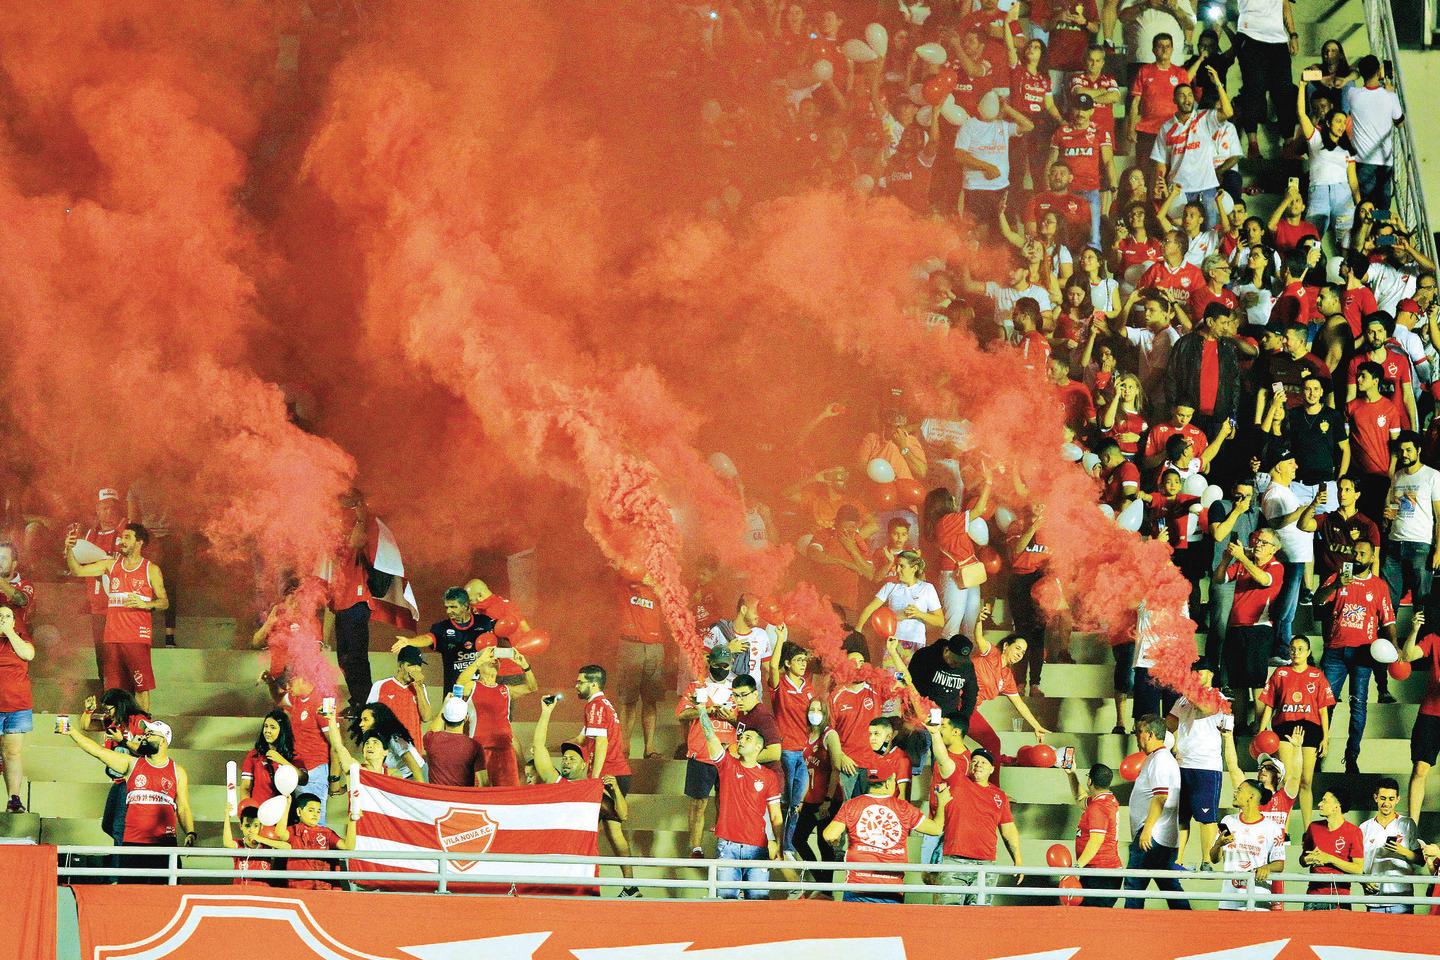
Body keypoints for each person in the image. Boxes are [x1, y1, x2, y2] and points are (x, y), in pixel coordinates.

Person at [66, 712, 195, 876]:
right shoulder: (132, 764)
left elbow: (183, 807)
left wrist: (190, 832)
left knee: (163, 896)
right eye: (145, 733)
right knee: (131, 894)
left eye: (150, 734)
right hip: (133, 844)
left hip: (164, 845)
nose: (145, 737)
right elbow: (98, 751)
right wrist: (72, 732)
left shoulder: (178, 772)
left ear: (163, 740)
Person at [65, 523, 167, 713]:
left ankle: (142, 728)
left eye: (127, 537)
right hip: (112, 637)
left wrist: (146, 604)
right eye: (121, 537)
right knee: (112, 689)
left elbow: (164, 602)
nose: (122, 541)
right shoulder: (111, 565)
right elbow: (77, 571)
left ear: (139, 542)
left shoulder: (150, 569)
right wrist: (69, 549)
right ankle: (115, 730)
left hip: (137, 637)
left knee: (140, 686)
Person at [1314, 538, 1395, 776]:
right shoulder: (1338, 577)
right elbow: (1318, 600)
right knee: (1324, 705)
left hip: (1363, 654)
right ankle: (1319, 753)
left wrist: (1396, 647)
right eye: (1354, 552)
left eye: (1362, 554)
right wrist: (1336, 584)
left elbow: (1388, 620)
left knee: (1358, 707)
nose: (1356, 557)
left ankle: (1351, 757)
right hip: (1335, 653)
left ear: (1371, 558)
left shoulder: (1379, 586)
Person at [823, 754, 947, 904]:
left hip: (857, 888)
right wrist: (942, 802)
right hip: (891, 890)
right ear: (889, 782)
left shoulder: (852, 805)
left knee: (855, 928)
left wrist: (835, 841)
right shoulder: (903, 808)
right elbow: (936, 828)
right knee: (887, 928)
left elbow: (830, 834)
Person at [694, 698, 781, 899]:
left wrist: (779, 844)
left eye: (748, 738)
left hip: (758, 848)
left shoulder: (769, 777)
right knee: (726, 904)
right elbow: (710, 736)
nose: (741, 740)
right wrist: (701, 711)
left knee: (758, 904)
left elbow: (776, 816)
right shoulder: (727, 765)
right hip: (728, 847)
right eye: (741, 738)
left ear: (759, 747)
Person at [925, 736, 1021, 907]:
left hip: (986, 865)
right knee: (950, 917)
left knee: (979, 920)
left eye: (984, 762)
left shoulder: (1000, 796)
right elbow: (942, 757)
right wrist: (934, 733)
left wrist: (1018, 860)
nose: (978, 764)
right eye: (975, 761)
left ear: (992, 769)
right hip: (955, 862)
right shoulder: (957, 782)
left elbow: (1008, 831)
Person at [1257, 637, 1334, 825]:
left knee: (1306, 780)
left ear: (1308, 652)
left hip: (1311, 729)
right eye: (1293, 649)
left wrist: (1326, 737)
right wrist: (1261, 732)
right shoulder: (1280, 672)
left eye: (1300, 649)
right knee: (1288, 778)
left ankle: (1309, 829)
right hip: (1285, 727)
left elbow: (1323, 709)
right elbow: (1269, 704)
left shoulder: (1317, 675)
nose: (1296, 652)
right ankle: (1284, 828)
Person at [1213, 529, 1284, 731]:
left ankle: (1261, 728)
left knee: (1256, 681)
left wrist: (1243, 557)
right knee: (1237, 682)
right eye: (1258, 540)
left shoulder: (1275, 566)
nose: (1258, 544)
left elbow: (1264, 580)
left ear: (1274, 549)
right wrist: (1226, 559)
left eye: (1264, 542)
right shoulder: (1243, 564)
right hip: (1235, 627)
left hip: (1258, 629)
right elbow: (1219, 578)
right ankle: (1241, 725)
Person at [1123, 715, 1189, 910]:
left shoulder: (1160, 759)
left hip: (1153, 835)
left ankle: (1130, 927)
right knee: (1169, 886)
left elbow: (1161, 797)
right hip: (1161, 835)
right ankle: (1189, 922)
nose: (1136, 736)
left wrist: (1147, 830)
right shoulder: (1158, 758)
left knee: (1134, 885)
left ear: (1150, 734)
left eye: (1138, 732)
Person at [1166, 669, 1231, 868]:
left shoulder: (1217, 697)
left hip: (1206, 767)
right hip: (1182, 764)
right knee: (1181, 817)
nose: (1194, 674)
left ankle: (1206, 861)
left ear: (1211, 673)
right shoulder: (1183, 698)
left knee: (1206, 817)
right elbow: (1170, 723)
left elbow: (1206, 707)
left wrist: (1184, 686)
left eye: (1199, 671)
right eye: (1192, 671)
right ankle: (1177, 860)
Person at [1259, 450, 1318, 667]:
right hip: (1289, 558)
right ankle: (1279, 648)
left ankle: (1283, 647)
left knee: (1290, 609)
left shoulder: (1284, 491)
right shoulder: (1274, 493)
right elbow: (1275, 523)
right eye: (1290, 462)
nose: (1295, 466)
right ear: (1277, 466)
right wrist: (1302, 511)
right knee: (1285, 608)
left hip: (1297, 557)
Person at [677, 646, 737, 857]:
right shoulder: (696, 687)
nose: (721, 669)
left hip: (728, 755)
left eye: (725, 665)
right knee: (698, 803)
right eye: (717, 664)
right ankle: (695, 848)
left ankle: (723, 846)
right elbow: (681, 714)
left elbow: (745, 719)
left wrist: (730, 717)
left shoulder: (735, 689)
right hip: (700, 754)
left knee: (725, 801)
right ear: (709, 663)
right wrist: (707, 710)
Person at [1151, 72, 1232, 228]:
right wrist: (1159, 182)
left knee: (1209, 231)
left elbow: (1228, 112)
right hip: (1178, 189)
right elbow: (1161, 162)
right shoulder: (1166, 127)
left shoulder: (1205, 118)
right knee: (1182, 232)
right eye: (1182, 96)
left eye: (1189, 95)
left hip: (1206, 187)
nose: (1187, 99)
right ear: (1174, 100)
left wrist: (1218, 83)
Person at [531, 695, 628, 822]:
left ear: (584, 764)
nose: (567, 761)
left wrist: (615, 790)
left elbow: (623, 816)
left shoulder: (592, 791)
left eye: (572, 759)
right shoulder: (556, 781)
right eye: (565, 758)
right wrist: (546, 712)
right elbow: (538, 746)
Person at [390, 586, 497, 692]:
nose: (449, 611)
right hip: (455, 692)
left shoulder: (485, 623)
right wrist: (409, 641)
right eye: (447, 607)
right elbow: (428, 638)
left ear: (465, 606)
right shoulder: (442, 628)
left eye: (453, 607)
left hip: (482, 690)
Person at [326, 489, 376, 717]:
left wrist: (358, 508)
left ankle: (365, 703)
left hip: (357, 604)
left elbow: (359, 538)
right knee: (344, 658)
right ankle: (358, 701)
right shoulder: (335, 552)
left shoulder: (357, 536)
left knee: (356, 657)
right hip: (342, 607)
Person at [1382, 431, 1440, 620]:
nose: (1404, 454)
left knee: (1421, 602)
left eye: (1408, 450)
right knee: (1388, 603)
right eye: (1401, 450)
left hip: (1420, 544)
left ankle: (1420, 647)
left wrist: (1438, 549)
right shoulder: (1397, 476)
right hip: (1394, 543)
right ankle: (1389, 646)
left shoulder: (1433, 476)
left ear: (1419, 450)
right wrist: (1388, 516)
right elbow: (1393, 507)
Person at [459, 645, 535, 785]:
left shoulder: (505, 689)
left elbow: (532, 687)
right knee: (482, 793)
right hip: (481, 750)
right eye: (489, 657)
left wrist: (525, 666)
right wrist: (478, 661)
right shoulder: (472, 686)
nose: (494, 660)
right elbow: (459, 684)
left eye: (496, 658)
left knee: (508, 794)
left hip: (505, 751)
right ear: (480, 664)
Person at [766, 634, 814, 856]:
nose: (803, 664)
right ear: (788, 663)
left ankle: (788, 845)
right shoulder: (780, 685)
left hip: (802, 753)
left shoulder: (809, 688)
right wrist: (780, 639)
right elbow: (772, 668)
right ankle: (778, 844)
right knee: (783, 803)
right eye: (798, 660)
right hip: (784, 751)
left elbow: (816, 719)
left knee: (797, 805)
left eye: (805, 660)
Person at [921, 488, 989, 642]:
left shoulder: (949, 521)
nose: (954, 498)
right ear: (943, 503)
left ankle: (965, 663)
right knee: (952, 626)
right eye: (950, 497)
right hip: (954, 575)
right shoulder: (947, 521)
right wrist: (988, 484)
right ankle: (945, 663)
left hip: (967, 574)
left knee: (970, 627)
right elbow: (978, 510)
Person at [1208, 778, 1287, 910]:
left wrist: (1266, 868)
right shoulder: (1228, 821)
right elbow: (1214, 859)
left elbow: (1279, 864)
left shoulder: (1272, 827)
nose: (1234, 793)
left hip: (1258, 901)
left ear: (1252, 795)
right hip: (1230, 900)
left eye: (1239, 790)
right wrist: (1218, 844)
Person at [1232, 0, 1297, 160]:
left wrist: (1293, 34)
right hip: (1250, 34)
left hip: (1278, 39)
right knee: (1254, 89)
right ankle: (1253, 145)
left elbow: (1285, 4)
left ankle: (1289, 144)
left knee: (1285, 90)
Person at [856, 551, 943, 659]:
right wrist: (858, 630)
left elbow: (940, 621)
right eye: (896, 565)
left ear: (914, 568)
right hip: (893, 644)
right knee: (894, 676)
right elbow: (869, 609)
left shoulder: (927, 588)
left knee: (910, 676)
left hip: (916, 644)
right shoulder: (890, 587)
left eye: (901, 566)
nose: (897, 570)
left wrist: (919, 614)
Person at [1342, 55, 1404, 206]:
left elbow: (1351, 73)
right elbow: (1400, 123)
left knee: (1365, 206)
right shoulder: (1390, 96)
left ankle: (1367, 229)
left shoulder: (1353, 94)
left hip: (1363, 161)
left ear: (1362, 73)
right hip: (1384, 160)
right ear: (1378, 72)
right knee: (1383, 206)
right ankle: (1381, 227)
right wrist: (1388, 89)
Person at [79, 489, 127, 678]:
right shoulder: (91, 534)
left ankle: (123, 696)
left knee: (120, 654)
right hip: (97, 606)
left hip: (120, 605)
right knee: (101, 654)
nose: (109, 512)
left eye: (113, 508)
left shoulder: (126, 531)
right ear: (97, 510)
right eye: (104, 507)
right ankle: (104, 695)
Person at [1399, 611, 1440, 821]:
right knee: (1420, 768)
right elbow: (1406, 656)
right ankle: (1412, 827)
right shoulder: (1434, 639)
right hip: (1431, 714)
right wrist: (1414, 630)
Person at [273, 792, 359, 891]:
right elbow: (280, 833)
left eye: (318, 811)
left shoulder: (326, 832)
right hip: (300, 888)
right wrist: (287, 805)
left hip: (325, 889)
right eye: (311, 810)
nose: (315, 814)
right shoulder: (294, 830)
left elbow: (348, 847)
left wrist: (352, 821)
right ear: (299, 812)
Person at [278, 674, 333, 826]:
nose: (287, 687)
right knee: (302, 825)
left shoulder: (321, 702)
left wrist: (335, 778)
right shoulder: (296, 697)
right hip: (297, 772)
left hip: (315, 771)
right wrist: (270, 681)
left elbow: (335, 743)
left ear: (303, 676)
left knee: (316, 823)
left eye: (290, 681)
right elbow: (278, 699)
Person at [1126, 33, 1188, 166]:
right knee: (1145, 170)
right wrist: (1131, 128)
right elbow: (1135, 102)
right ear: (1154, 50)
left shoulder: (1180, 73)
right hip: (1147, 130)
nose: (1164, 50)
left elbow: (1186, 103)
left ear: (1172, 49)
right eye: (1160, 46)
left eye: (1167, 46)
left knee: (1171, 173)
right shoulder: (1144, 71)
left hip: (1173, 130)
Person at [1360, 777, 1420, 913]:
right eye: (1383, 798)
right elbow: (1357, 863)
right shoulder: (1364, 827)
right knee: (1374, 935)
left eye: (1391, 799)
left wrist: (1403, 851)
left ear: (1397, 799)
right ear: (1376, 798)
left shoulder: (1407, 824)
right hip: (1374, 900)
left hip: (1402, 898)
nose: (1386, 803)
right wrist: (1364, 881)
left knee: (1403, 935)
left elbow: (1420, 859)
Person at [1067, 762, 1122, 907]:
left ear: (1090, 781)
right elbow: (1080, 799)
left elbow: (1096, 840)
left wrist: (1076, 868)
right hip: (1101, 872)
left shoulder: (1098, 807)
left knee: (1091, 921)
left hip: (1101, 875)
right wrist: (1071, 774)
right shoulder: (1105, 799)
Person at [1301, 788, 1365, 908]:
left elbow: (1358, 869)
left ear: (1336, 807)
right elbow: (1302, 859)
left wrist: (1329, 858)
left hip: (1340, 898)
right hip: (1314, 897)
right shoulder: (1313, 827)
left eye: (1324, 801)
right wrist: (1310, 859)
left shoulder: (1354, 832)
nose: (1319, 804)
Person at [0, 606, 34, 812]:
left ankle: (14, 799)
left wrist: (10, 633)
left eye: (7, 616)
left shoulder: (22, 639)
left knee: (12, 752)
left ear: (14, 621)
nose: (3, 619)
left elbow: (28, 655)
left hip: (17, 705)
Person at [239, 708, 306, 808]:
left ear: (282, 731)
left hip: (285, 814)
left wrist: (281, 760)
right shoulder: (254, 755)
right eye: (266, 727)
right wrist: (248, 811)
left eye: (273, 727)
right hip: (260, 813)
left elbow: (303, 779)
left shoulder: (293, 755)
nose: (267, 731)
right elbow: (245, 787)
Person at [705, 594, 778, 686]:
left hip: (751, 696)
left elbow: (770, 668)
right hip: (723, 694)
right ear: (744, 609)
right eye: (756, 611)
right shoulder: (718, 631)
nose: (759, 615)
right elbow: (703, 661)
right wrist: (727, 650)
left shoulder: (761, 634)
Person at [367, 647, 432, 749]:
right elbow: (368, 717)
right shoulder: (380, 686)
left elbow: (426, 717)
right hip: (387, 752)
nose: (416, 670)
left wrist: (419, 688)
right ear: (400, 665)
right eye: (410, 665)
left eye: (418, 665)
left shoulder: (421, 688)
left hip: (413, 751)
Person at [347, 701, 425, 781]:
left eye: (365, 720)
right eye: (361, 720)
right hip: (403, 778)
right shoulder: (376, 738)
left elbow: (415, 768)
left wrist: (422, 790)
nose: (361, 724)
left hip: (417, 777)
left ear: (377, 719)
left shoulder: (394, 738)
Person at [223, 801, 291, 886]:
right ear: (241, 826)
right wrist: (227, 817)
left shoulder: (266, 845)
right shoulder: (239, 844)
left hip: (262, 892)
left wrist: (261, 839)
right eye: (247, 826)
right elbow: (227, 843)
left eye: (255, 826)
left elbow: (287, 847)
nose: (251, 830)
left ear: (261, 826)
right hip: (240, 891)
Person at [423, 695, 483, 787]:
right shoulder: (474, 746)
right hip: (461, 799)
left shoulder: (431, 739)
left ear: (443, 717)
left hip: (436, 799)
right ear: (466, 718)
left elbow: (432, 729)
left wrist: (444, 705)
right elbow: (484, 782)